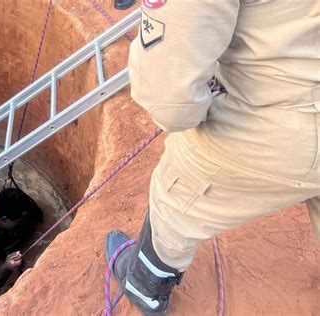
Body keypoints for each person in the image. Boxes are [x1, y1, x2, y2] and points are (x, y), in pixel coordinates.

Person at [105, 0, 319, 314]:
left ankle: (145, 284)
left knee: (176, 190)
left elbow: (171, 102)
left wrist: (208, 101)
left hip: (286, 125)